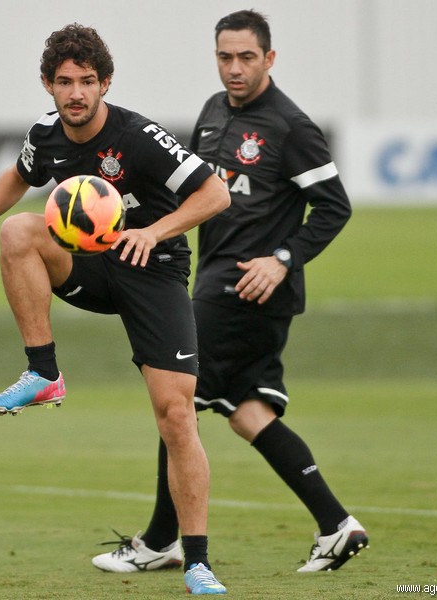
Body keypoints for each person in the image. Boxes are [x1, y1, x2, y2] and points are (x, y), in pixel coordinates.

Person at [0, 24, 230, 595]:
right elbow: (18, 177)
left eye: (87, 82)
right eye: (64, 82)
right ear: (47, 85)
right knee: (19, 232)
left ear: (105, 83)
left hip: (154, 271)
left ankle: (193, 560)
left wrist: (155, 231)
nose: (76, 93)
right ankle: (43, 372)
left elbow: (213, 193)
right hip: (89, 267)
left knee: (176, 416)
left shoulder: (137, 135)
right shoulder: (45, 135)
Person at [91, 10, 368, 575]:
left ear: (269, 58)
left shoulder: (290, 126)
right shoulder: (213, 112)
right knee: (247, 412)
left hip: (244, 286)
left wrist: (283, 259)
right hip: (215, 275)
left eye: (246, 57)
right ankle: (337, 525)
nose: (234, 68)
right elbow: (191, 191)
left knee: (177, 404)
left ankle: (162, 540)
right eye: (224, 57)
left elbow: (335, 205)